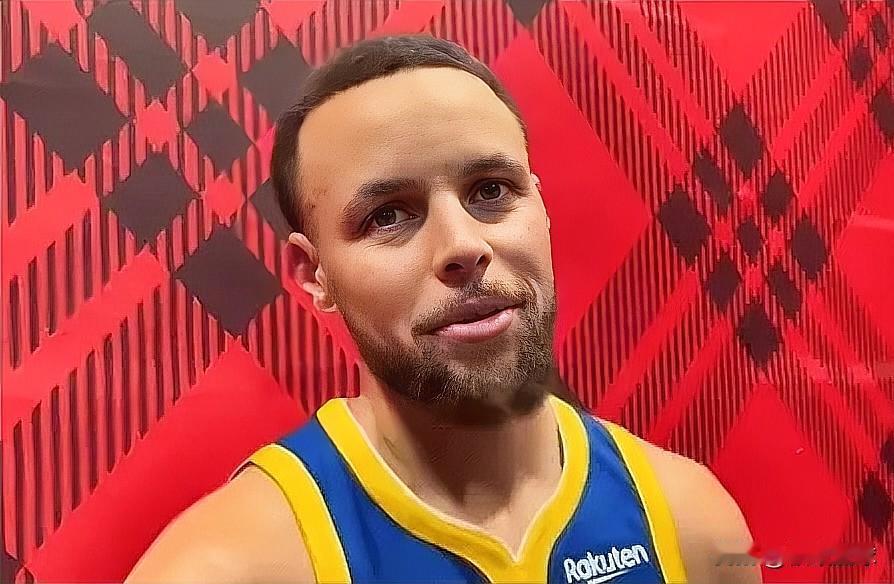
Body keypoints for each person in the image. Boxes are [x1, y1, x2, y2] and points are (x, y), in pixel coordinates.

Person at [126, 35, 761, 584]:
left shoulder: (690, 524)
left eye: (491, 191)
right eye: (388, 216)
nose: (462, 245)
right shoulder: (229, 567)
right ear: (314, 274)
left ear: (540, 207)